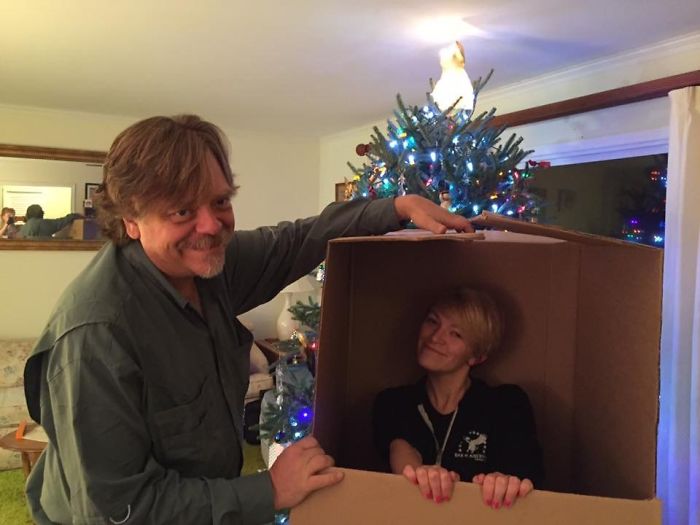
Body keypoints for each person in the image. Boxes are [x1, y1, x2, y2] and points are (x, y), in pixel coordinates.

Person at [23, 114, 473, 524]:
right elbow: (115, 511)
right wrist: (269, 490)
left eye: (219, 201)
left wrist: (396, 208)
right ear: (131, 219)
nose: (211, 226)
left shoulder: (205, 266)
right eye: (182, 211)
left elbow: (294, 241)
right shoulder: (95, 336)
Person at [372, 288, 543, 510]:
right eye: (433, 321)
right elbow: (401, 450)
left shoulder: (506, 404)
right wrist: (419, 474)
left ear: (477, 356)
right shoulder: (394, 402)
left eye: (456, 334)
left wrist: (505, 481)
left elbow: (523, 470)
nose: (435, 337)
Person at [17, 203, 82, 239]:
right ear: (40, 213)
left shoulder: (23, 228)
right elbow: (62, 222)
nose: (43, 213)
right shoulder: (45, 223)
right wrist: (74, 215)